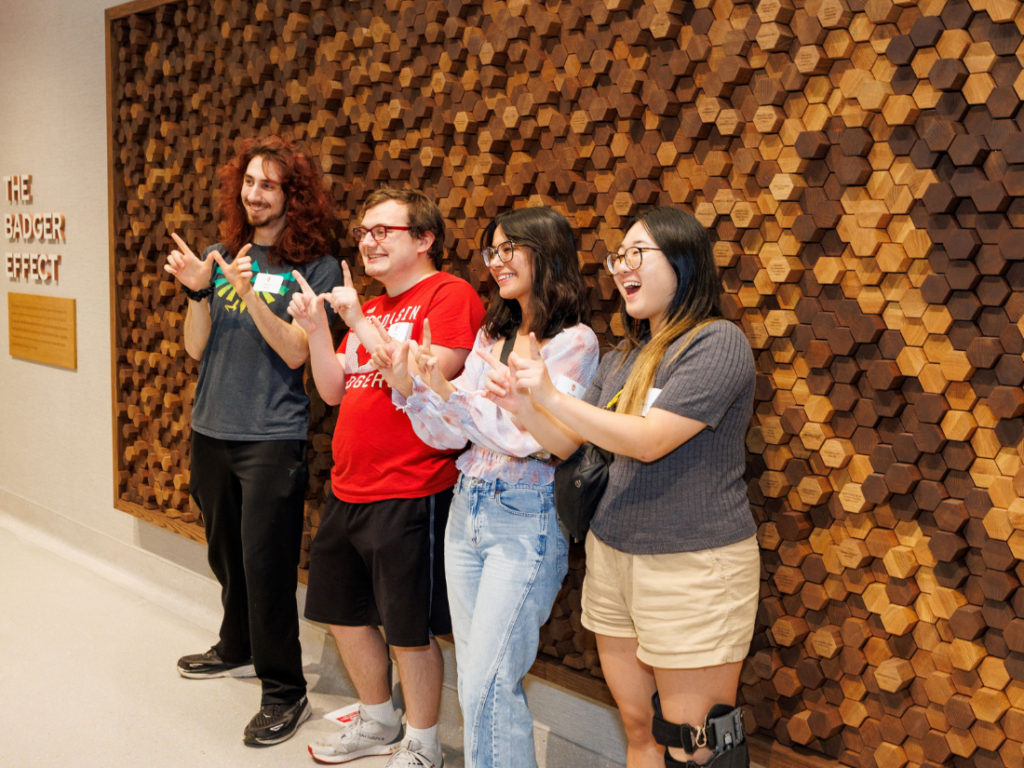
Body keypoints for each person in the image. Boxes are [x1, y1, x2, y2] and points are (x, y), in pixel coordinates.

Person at [482, 207, 758, 768]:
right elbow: (568, 444)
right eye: (618, 258)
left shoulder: (717, 342)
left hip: (693, 566)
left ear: (684, 260)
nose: (622, 268)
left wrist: (553, 398)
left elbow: (652, 439)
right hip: (613, 558)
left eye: (639, 254)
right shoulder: (624, 357)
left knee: (694, 740)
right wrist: (522, 406)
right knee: (640, 728)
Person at [372, 206, 599, 768]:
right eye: (491, 252)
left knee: (489, 682)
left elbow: (524, 437)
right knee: (477, 676)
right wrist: (417, 386)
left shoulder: (574, 342)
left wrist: (447, 393)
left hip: (526, 517)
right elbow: (451, 434)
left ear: (546, 253)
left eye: (508, 250)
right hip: (466, 507)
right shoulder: (492, 333)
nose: (497, 263)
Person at [288, 187, 485, 768]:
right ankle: (377, 718)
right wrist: (323, 328)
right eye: (365, 231)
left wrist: (354, 316)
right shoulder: (370, 307)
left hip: (412, 489)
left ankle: (424, 741)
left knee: (408, 628)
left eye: (384, 231)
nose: (368, 241)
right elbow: (332, 389)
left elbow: (430, 376)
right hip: (348, 486)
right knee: (344, 614)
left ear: (423, 240)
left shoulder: (449, 294)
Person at [166, 134, 342, 745]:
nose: (255, 194)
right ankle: (235, 644)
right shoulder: (221, 253)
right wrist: (199, 291)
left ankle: (284, 693)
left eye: (269, 184)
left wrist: (245, 292)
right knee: (224, 554)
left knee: (266, 568)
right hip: (210, 429)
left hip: (271, 439)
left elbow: (297, 351)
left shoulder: (312, 268)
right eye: (249, 182)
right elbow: (195, 347)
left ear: (294, 196)